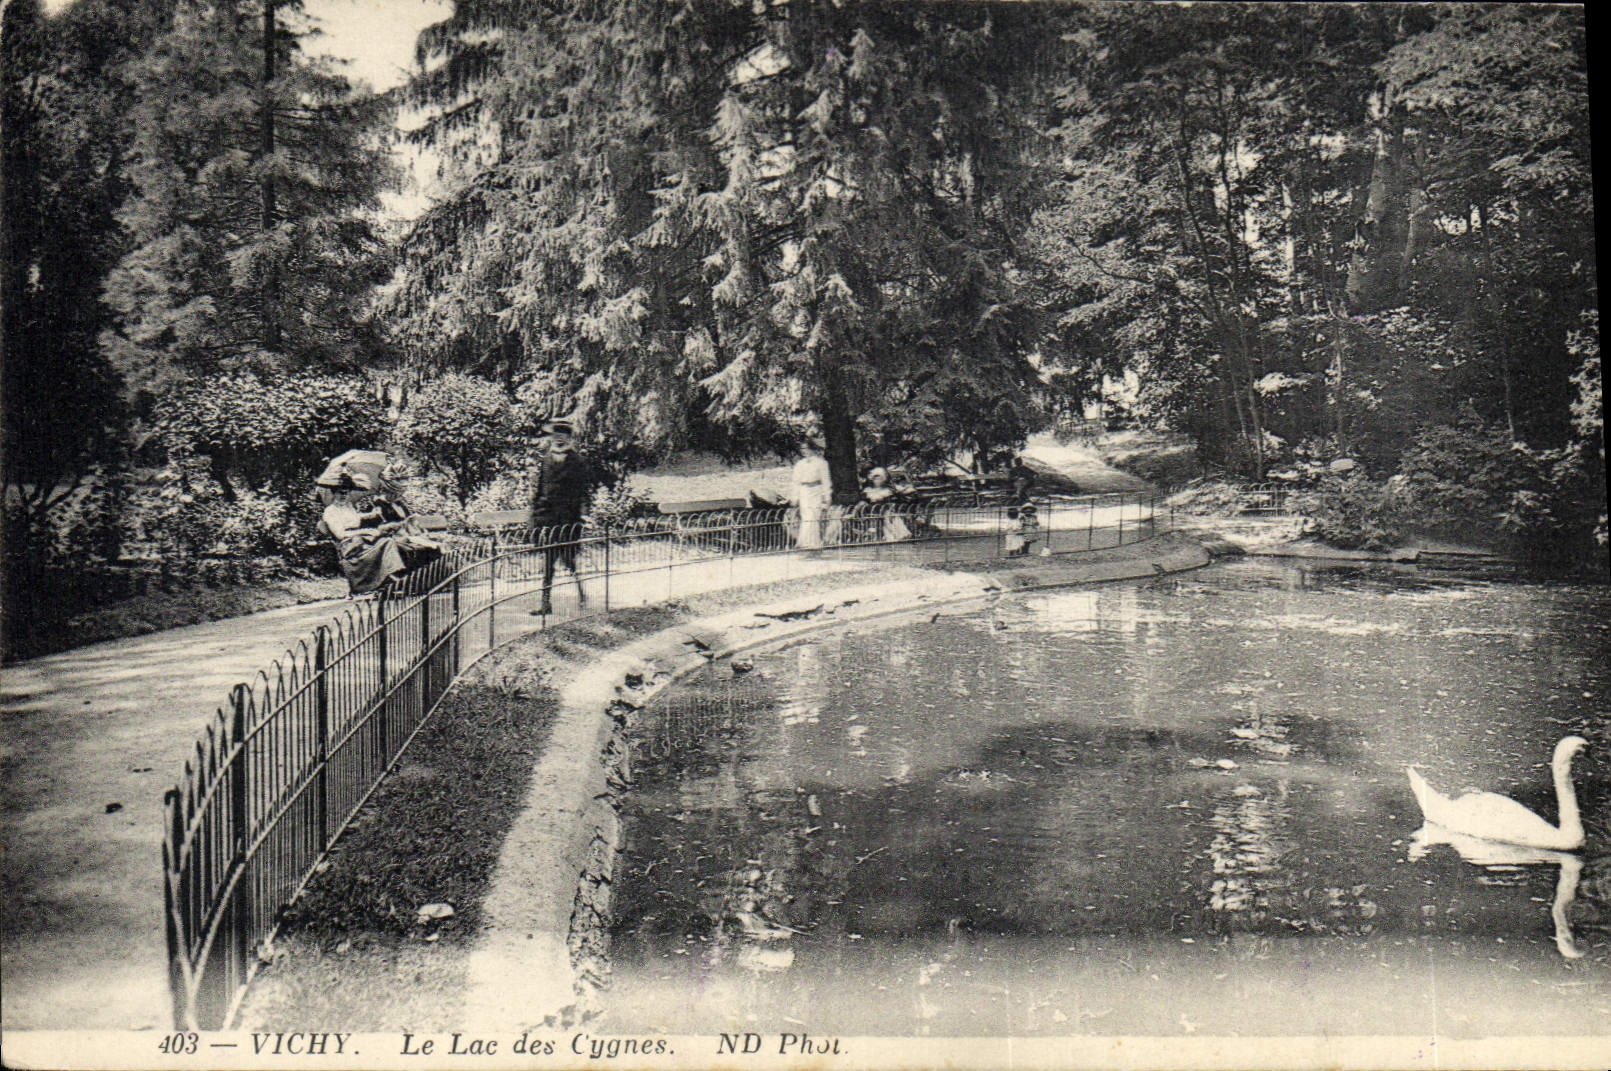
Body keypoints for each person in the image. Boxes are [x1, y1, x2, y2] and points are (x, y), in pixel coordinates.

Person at [318, 473, 441, 597]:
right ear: (334, 493)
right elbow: (340, 534)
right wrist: (364, 531)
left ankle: (401, 578)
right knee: (387, 543)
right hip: (350, 546)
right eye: (340, 492)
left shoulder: (349, 507)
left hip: (361, 541)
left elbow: (355, 519)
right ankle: (392, 577)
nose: (343, 496)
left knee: (394, 541)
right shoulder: (330, 511)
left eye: (346, 492)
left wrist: (371, 514)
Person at [528, 417, 594, 615]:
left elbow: (584, 491)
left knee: (568, 560)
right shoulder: (546, 459)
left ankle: (582, 595)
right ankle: (545, 604)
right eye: (556, 435)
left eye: (563, 436)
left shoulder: (577, 461)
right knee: (548, 562)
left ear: (569, 439)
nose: (559, 439)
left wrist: (584, 515)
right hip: (548, 519)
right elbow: (539, 489)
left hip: (568, 519)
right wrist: (534, 515)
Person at [791, 439, 833, 549]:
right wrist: (794, 497)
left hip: (816, 490)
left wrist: (827, 496)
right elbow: (795, 481)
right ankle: (804, 542)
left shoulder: (821, 463)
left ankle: (813, 542)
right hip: (804, 490)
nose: (804, 451)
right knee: (805, 515)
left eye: (806, 448)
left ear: (812, 449)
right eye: (802, 449)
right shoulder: (799, 464)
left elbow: (826, 480)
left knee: (814, 515)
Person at [858, 467, 912, 542]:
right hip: (871, 513)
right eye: (875, 478)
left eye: (879, 478)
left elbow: (890, 503)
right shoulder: (868, 490)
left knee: (890, 525)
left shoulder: (887, 490)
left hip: (885, 512)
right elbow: (864, 501)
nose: (876, 480)